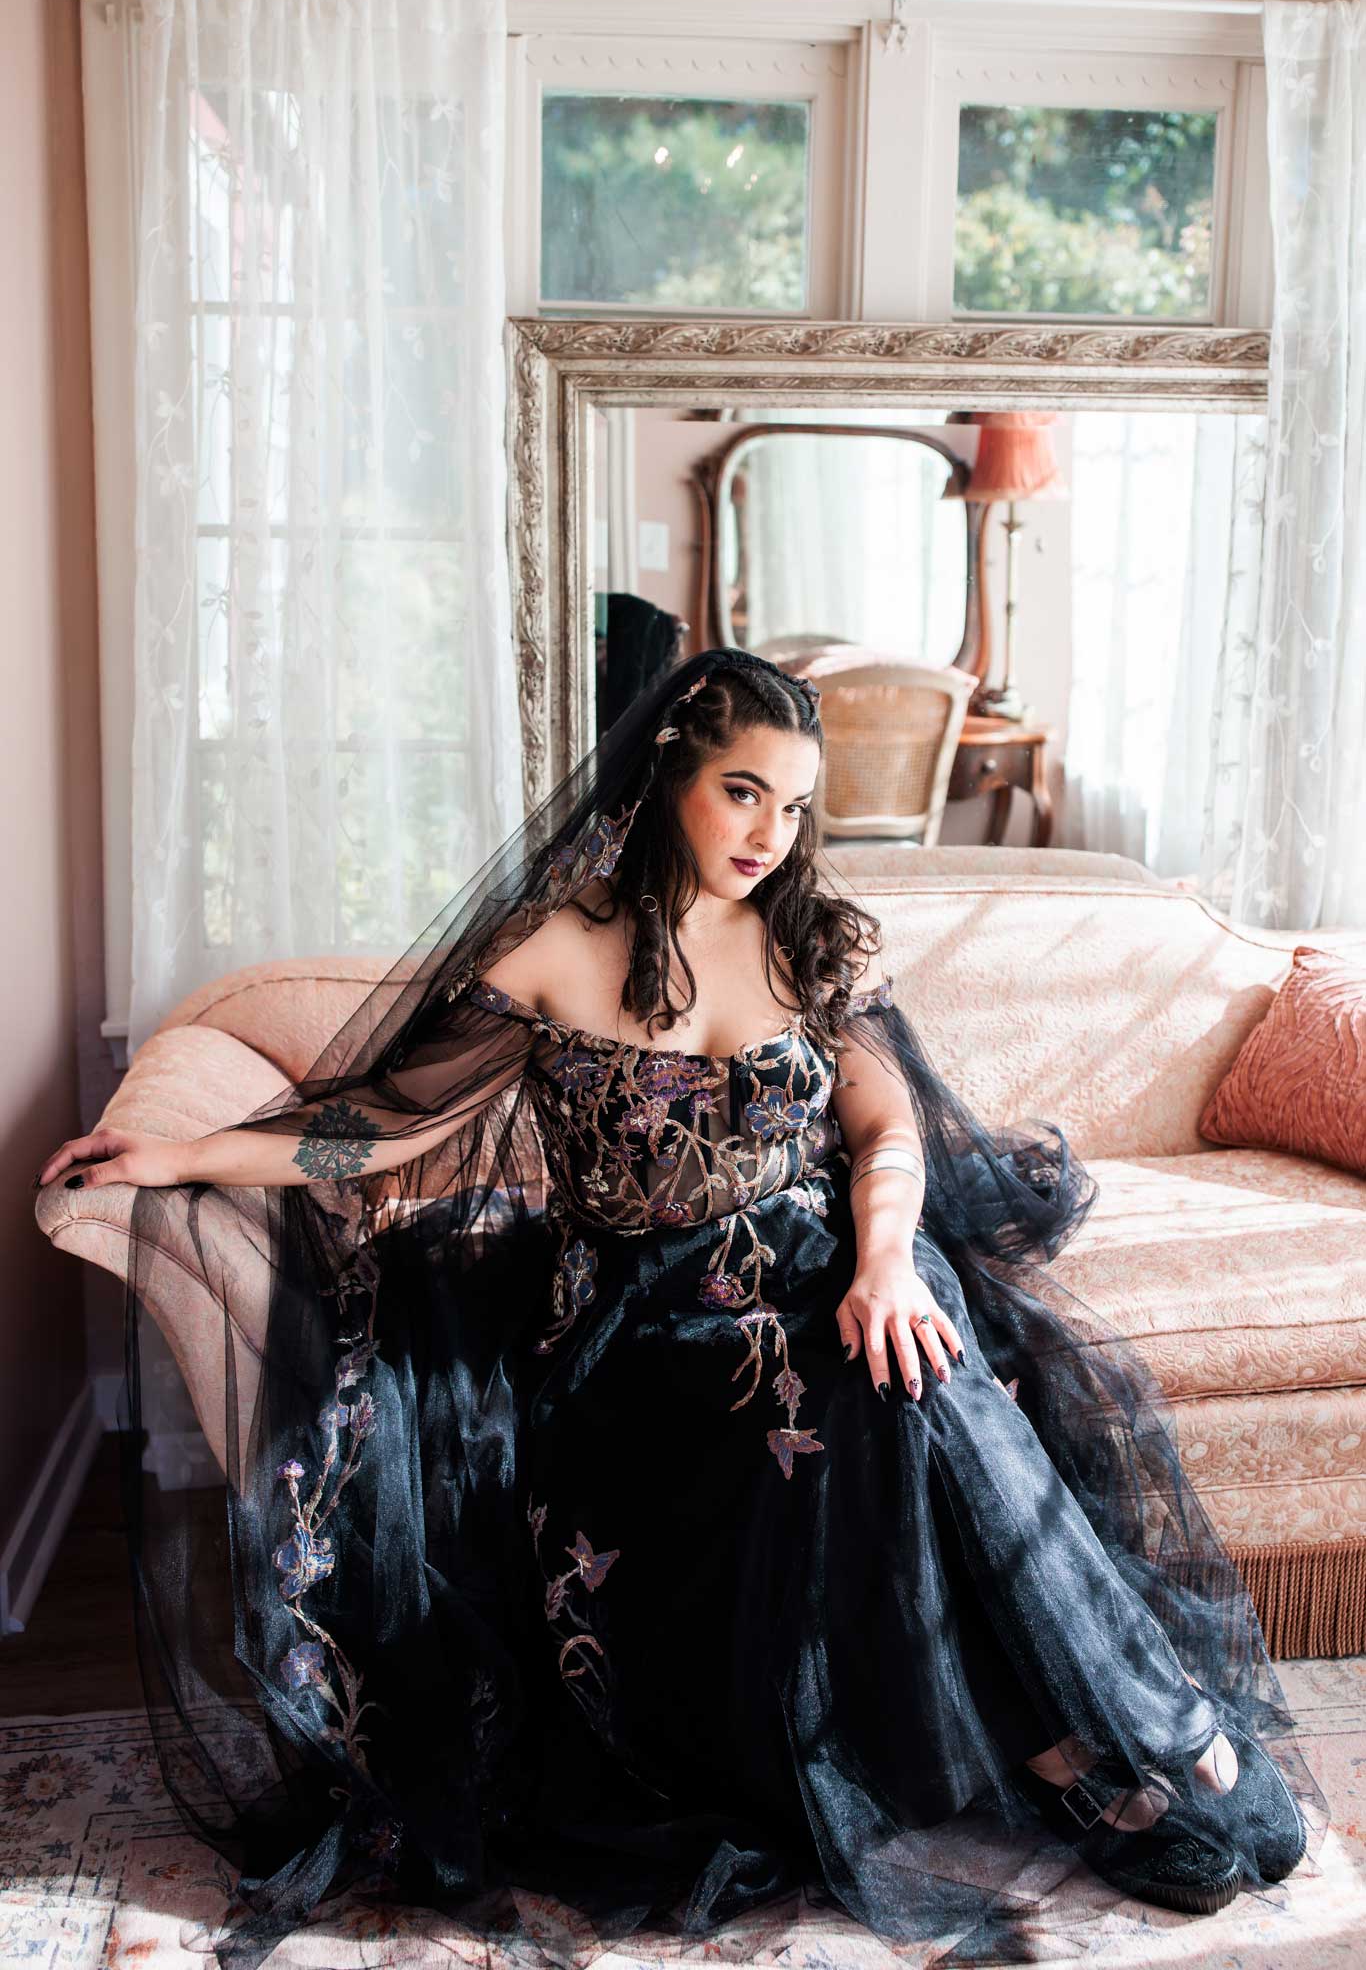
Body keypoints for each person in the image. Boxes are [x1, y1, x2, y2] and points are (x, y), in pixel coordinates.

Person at [35, 648, 1320, 1970]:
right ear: (666, 781)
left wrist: (881, 1259)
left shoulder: (813, 938)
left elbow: (883, 1126)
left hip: (831, 1256)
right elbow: (377, 1129)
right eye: (742, 794)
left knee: (908, 1352)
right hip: (635, 1327)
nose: (771, 835)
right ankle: (1088, 1750)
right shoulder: (549, 947)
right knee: (853, 1390)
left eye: (794, 806)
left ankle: (1100, 1735)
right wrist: (180, 1156)